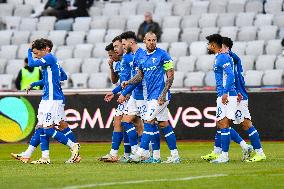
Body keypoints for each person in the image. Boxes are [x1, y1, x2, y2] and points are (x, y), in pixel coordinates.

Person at [122, 32, 180, 163]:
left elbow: (170, 76)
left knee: (148, 121)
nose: (152, 42)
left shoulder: (163, 55)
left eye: (154, 40)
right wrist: (128, 82)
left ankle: (141, 152)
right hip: (150, 97)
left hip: (160, 96)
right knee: (164, 124)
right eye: (149, 40)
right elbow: (140, 75)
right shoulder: (142, 57)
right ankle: (173, 155)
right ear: (144, 41)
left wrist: (163, 94)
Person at [26, 38, 80, 163]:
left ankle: (73, 146)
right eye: (34, 53)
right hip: (49, 98)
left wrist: (29, 50)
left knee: (47, 128)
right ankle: (44, 157)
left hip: (53, 98)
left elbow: (31, 64)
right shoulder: (50, 61)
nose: (35, 56)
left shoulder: (49, 58)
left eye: (36, 53)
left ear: (45, 49)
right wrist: (35, 83)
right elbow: (63, 76)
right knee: (47, 126)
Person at [222, 37, 266, 162]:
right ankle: (245, 146)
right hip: (235, 95)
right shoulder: (229, 58)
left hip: (238, 96)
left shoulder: (232, 58)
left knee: (246, 124)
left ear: (227, 48)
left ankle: (259, 152)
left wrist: (236, 93)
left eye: (222, 47)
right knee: (222, 123)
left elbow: (233, 77)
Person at [205, 34, 237, 164]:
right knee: (221, 124)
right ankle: (224, 153)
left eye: (208, 44)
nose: (207, 47)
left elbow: (230, 75)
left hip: (226, 95)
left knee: (223, 124)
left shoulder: (222, 58)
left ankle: (224, 156)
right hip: (224, 94)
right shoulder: (219, 57)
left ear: (213, 45)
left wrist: (225, 93)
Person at [100, 40, 132, 162]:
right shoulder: (117, 64)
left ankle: (137, 152)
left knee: (131, 123)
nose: (110, 57)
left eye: (110, 54)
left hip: (132, 96)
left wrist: (122, 93)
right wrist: (111, 67)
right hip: (125, 96)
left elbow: (131, 80)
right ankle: (118, 154)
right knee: (118, 122)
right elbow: (115, 81)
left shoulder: (127, 61)